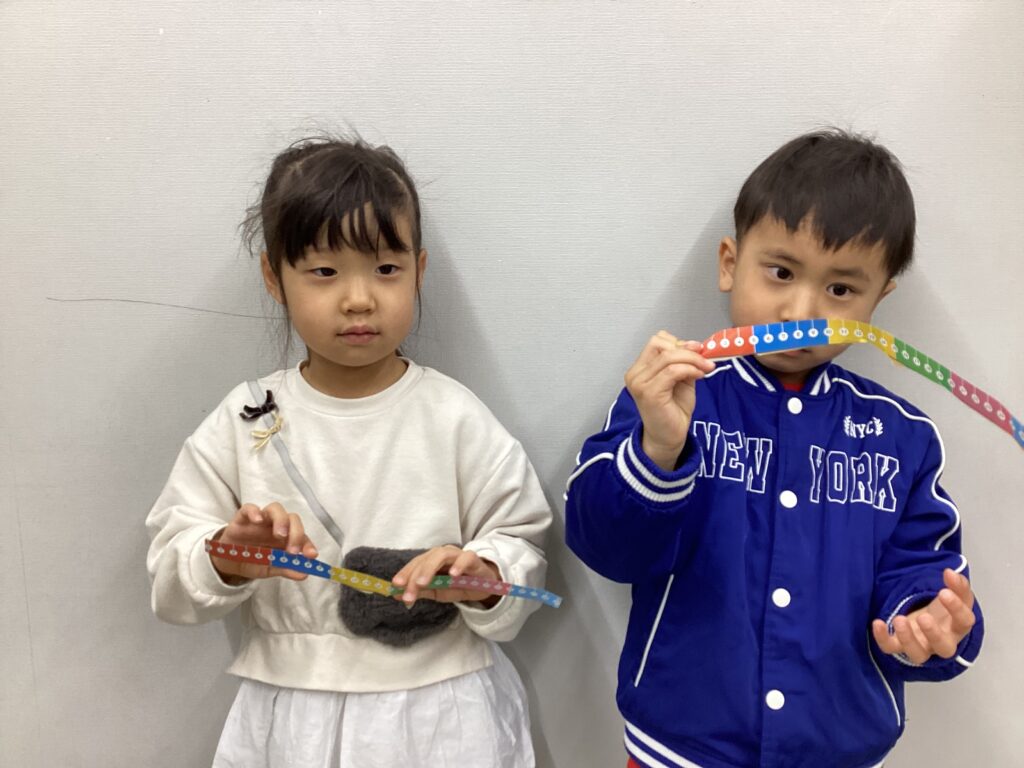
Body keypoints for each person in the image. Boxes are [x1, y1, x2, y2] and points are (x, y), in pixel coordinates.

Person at [565, 129, 983, 768]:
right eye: (781, 273)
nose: (800, 311)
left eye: (841, 290)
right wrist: (659, 448)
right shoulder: (673, 396)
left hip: (839, 747)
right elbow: (605, 548)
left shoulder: (903, 436)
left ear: (878, 301)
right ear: (729, 263)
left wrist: (928, 619)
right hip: (678, 747)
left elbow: (920, 571)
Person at [146, 136, 551, 768]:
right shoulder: (244, 418)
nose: (359, 298)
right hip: (293, 715)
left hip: (442, 711)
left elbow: (521, 540)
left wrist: (480, 576)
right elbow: (172, 574)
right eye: (325, 271)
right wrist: (228, 555)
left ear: (418, 270)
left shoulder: (453, 415)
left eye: (386, 269)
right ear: (274, 277)